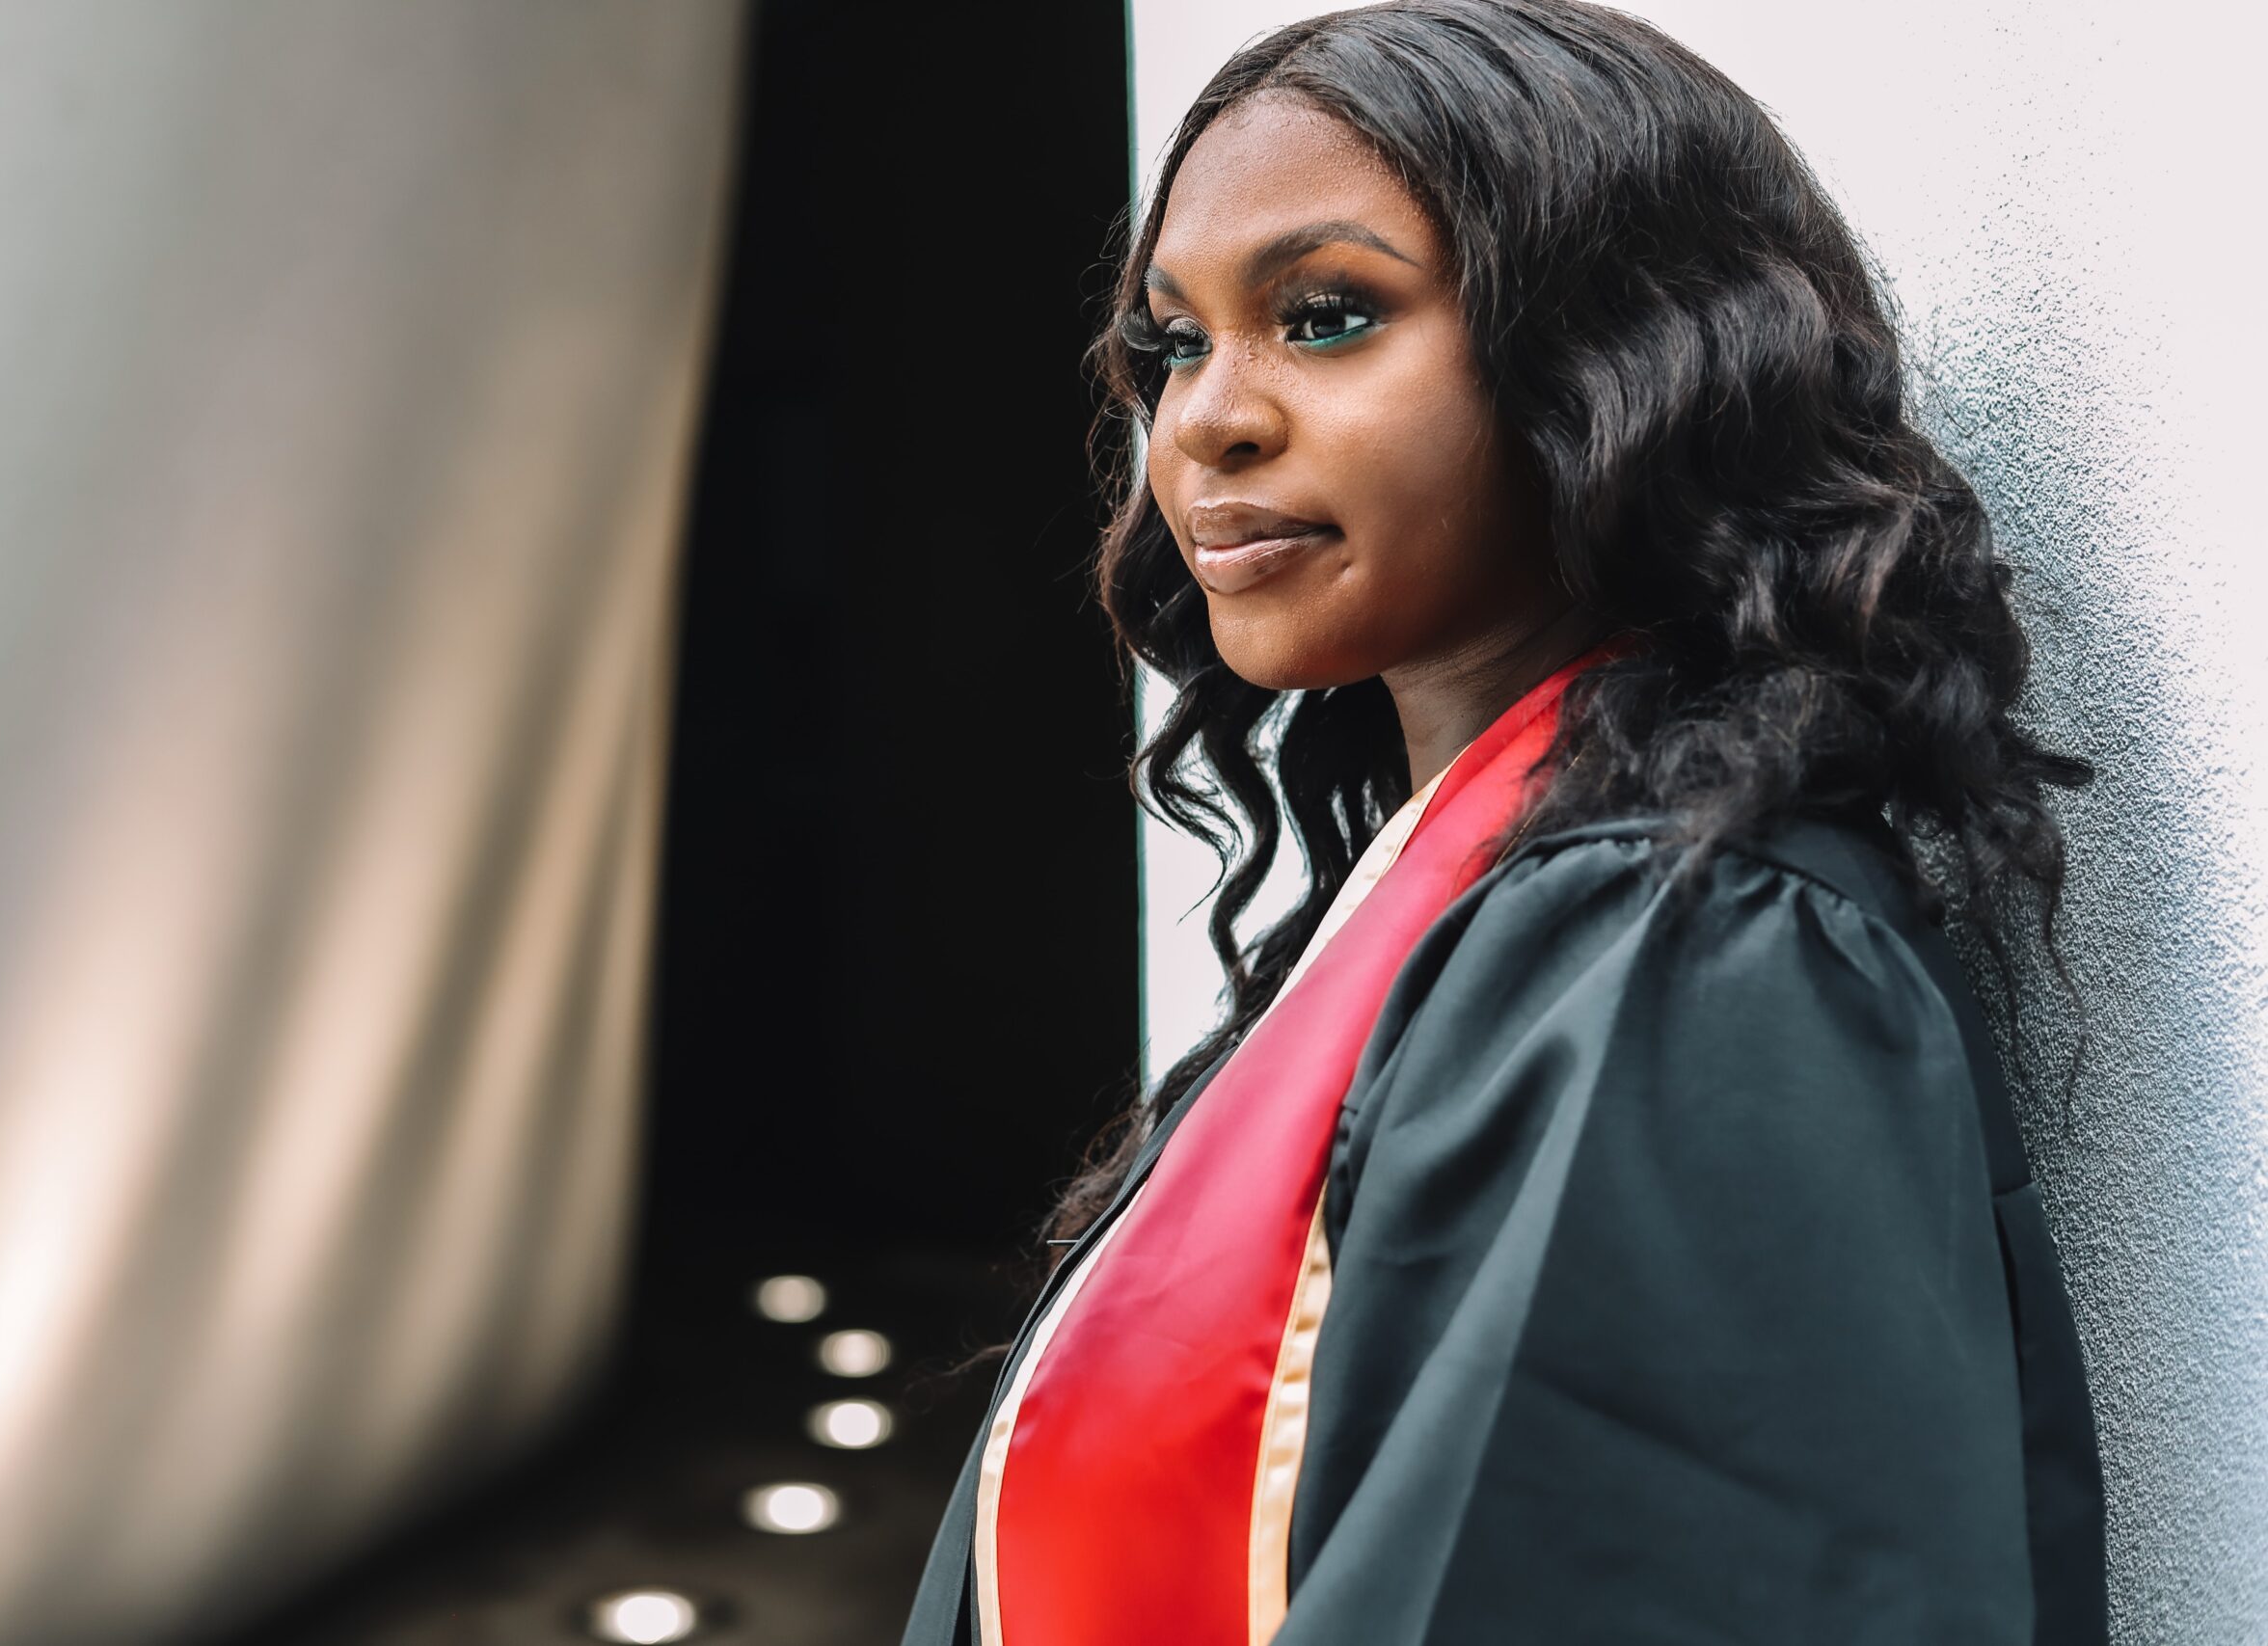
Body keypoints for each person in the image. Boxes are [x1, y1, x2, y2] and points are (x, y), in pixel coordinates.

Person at [903, 2, 2107, 1641]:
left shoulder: (1701, 965)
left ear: (1621, 355)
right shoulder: (1482, 896)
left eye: (1325, 316)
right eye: (1172, 343)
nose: (1206, 420)